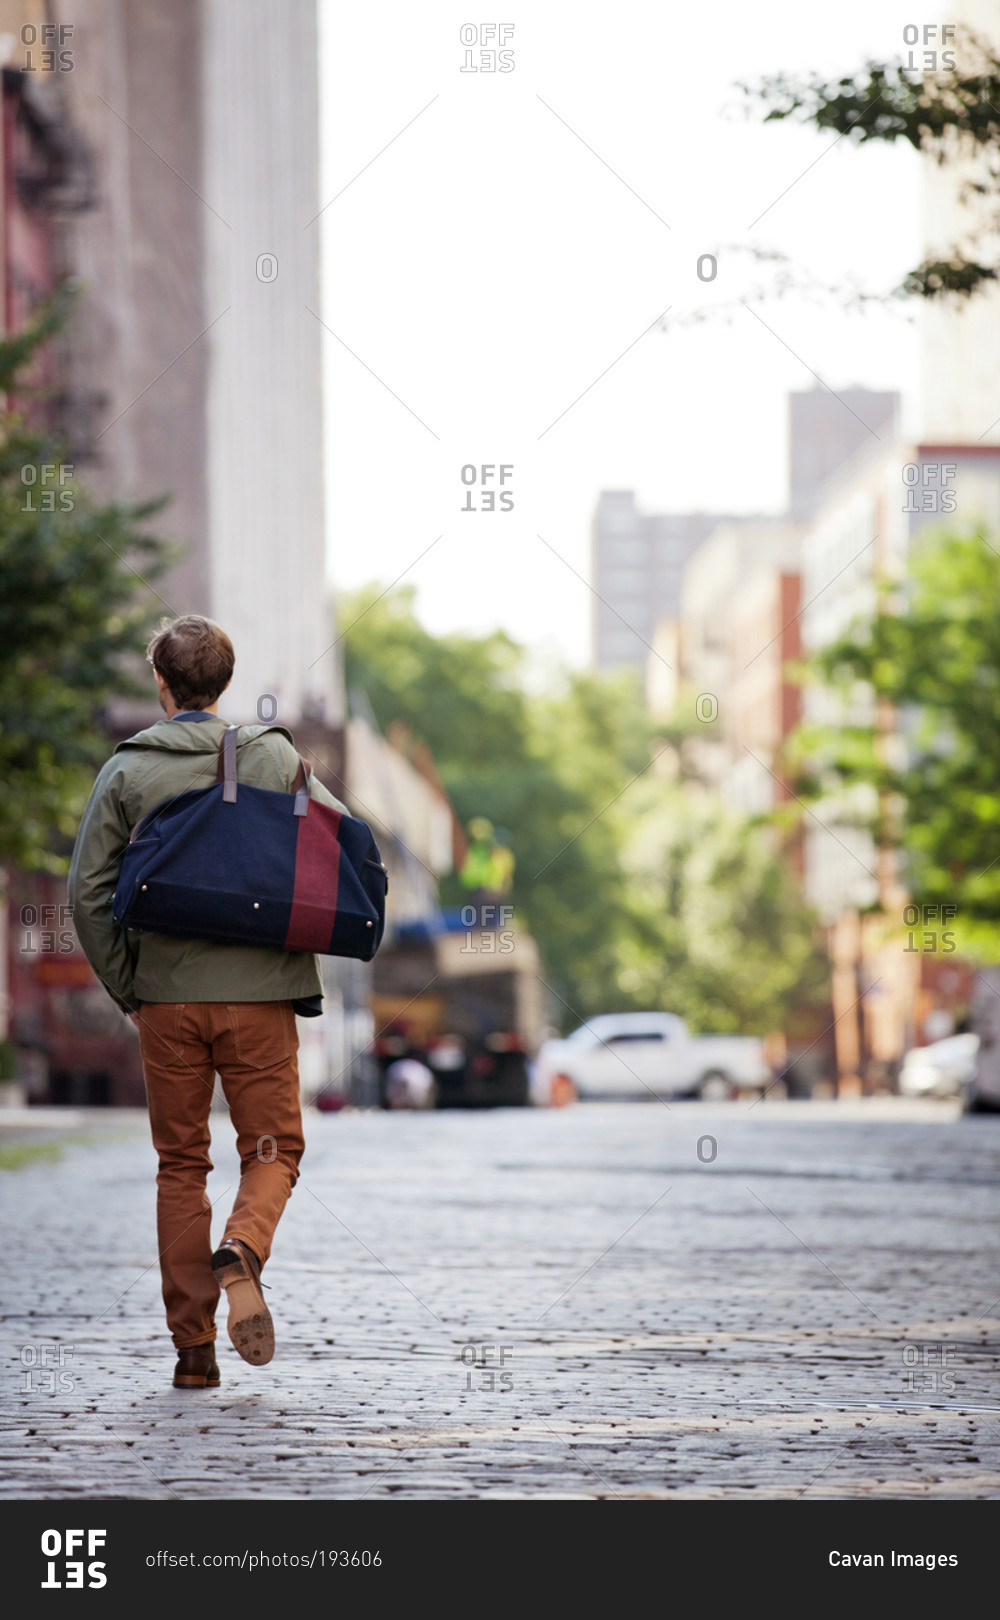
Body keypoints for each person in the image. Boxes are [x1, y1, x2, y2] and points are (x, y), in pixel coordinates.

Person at [68, 615, 349, 1389]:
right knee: (273, 1149)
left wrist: (131, 984)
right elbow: (339, 838)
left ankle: (193, 1352)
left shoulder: (127, 771)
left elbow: (87, 896)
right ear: (224, 683)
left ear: (161, 683)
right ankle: (244, 1249)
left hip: (165, 999)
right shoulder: (273, 756)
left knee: (179, 1165)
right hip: (262, 996)